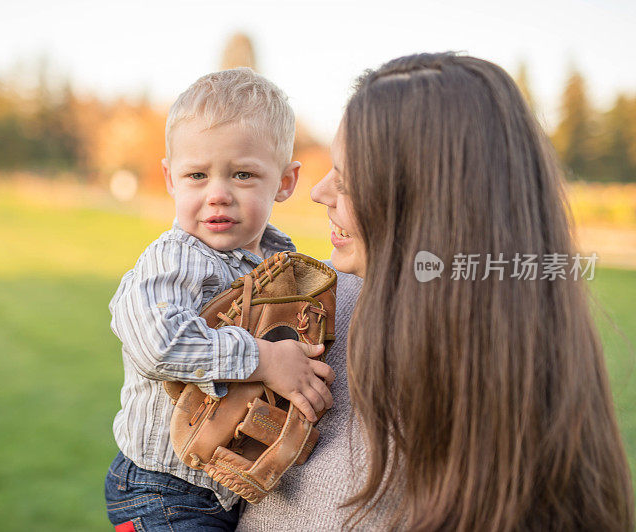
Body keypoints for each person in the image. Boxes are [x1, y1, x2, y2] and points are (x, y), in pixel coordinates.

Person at [240, 52, 634, 530]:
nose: (319, 192)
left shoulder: (519, 379)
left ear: (426, 205)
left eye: (346, 182)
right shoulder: (313, 300)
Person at [105, 67, 335, 531]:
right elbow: (158, 344)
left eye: (243, 175)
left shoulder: (281, 261)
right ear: (171, 179)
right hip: (162, 490)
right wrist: (264, 360)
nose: (217, 195)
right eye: (197, 175)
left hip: (229, 484)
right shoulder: (175, 258)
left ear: (286, 182)